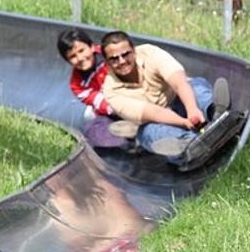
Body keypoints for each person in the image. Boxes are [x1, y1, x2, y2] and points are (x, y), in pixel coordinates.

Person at [99, 30, 231, 165]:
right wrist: (184, 122)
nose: (121, 61)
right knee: (146, 133)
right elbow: (153, 113)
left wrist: (192, 109)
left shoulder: (150, 53)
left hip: (183, 101)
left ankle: (215, 111)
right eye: (114, 59)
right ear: (107, 63)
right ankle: (189, 145)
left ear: (134, 51)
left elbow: (179, 82)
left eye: (125, 54)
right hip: (162, 123)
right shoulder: (111, 91)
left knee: (194, 86)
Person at [56, 28, 123, 148]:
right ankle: (125, 142)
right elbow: (103, 104)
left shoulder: (110, 53)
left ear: (92, 47)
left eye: (82, 50)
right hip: (113, 112)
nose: (80, 58)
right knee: (93, 132)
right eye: (73, 56)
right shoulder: (77, 85)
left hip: (136, 98)